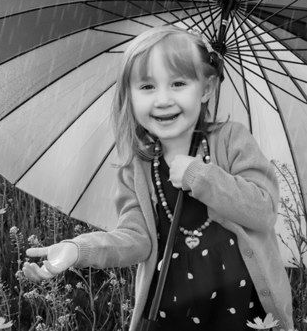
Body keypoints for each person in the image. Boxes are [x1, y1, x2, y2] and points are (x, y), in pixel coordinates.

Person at [23, 26, 293, 330]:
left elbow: (263, 210)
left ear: (206, 88)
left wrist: (199, 176)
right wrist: (77, 250)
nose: (163, 99)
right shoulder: (137, 166)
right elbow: (136, 239)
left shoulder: (231, 140)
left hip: (240, 309)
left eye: (178, 83)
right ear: (130, 95)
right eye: (148, 87)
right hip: (171, 309)